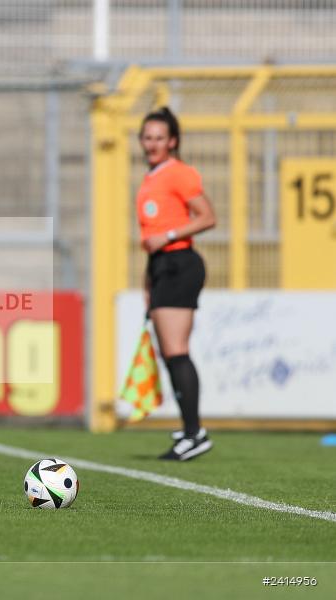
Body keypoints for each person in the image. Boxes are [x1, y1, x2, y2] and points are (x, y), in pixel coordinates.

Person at [137, 107, 216, 461]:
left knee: (177, 350)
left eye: (159, 138)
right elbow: (149, 238)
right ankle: (189, 429)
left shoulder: (179, 173)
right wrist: (147, 282)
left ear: (172, 141)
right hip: (161, 266)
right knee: (170, 352)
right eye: (147, 137)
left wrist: (168, 235)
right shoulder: (151, 177)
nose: (152, 144)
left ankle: (194, 432)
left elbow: (208, 216)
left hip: (180, 262)